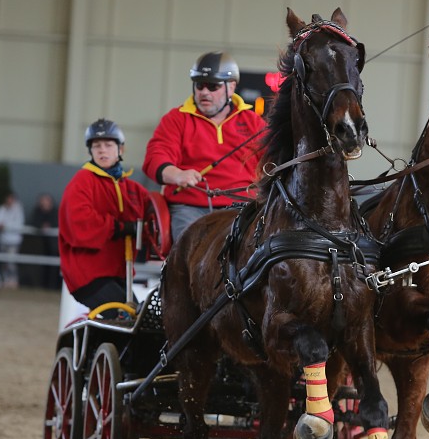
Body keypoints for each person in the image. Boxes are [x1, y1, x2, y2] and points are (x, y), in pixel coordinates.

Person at [143, 51, 266, 240]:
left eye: (213, 86)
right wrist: (177, 175)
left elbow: (276, 160)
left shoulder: (254, 123)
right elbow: (155, 158)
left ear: (231, 87)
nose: (204, 92)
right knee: (189, 246)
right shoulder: (176, 119)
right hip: (190, 208)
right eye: (199, 85)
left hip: (243, 207)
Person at [59, 118, 152, 318]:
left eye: (108, 145)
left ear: (121, 149)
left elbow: (154, 215)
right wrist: (119, 228)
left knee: (140, 320)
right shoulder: (82, 182)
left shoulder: (133, 189)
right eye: (96, 146)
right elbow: (80, 223)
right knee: (128, 318)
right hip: (88, 276)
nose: (102, 150)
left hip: (118, 274)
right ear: (90, 151)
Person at [0, 192, 25, 289]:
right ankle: (5, 280)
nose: (9, 201)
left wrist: (4, 226)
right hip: (3, 240)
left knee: (11, 262)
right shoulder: (2, 208)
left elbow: (19, 224)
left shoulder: (18, 210)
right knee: (4, 261)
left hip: (14, 241)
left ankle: (13, 281)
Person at [31, 193, 60, 290]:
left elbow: (58, 224)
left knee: (54, 267)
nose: (44, 203)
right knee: (44, 266)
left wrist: (49, 226)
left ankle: (53, 286)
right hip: (42, 245)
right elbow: (34, 222)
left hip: (55, 245)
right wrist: (42, 226)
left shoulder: (56, 212)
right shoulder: (38, 211)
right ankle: (44, 285)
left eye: (46, 201)